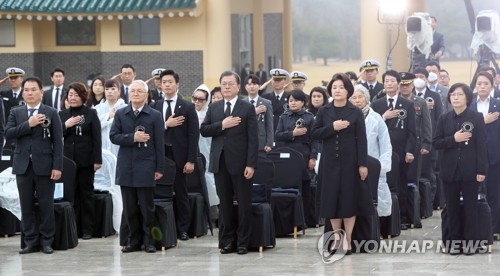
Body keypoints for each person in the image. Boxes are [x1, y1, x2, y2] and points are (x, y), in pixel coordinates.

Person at [311, 73, 371, 255]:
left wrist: (362, 164)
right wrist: (332, 128)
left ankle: (348, 239)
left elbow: (362, 140)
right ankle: (337, 237)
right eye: (334, 87)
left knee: (348, 200)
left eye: (341, 87)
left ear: (348, 90)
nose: (337, 90)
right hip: (329, 162)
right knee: (331, 200)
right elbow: (314, 134)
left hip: (350, 163)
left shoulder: (355, 112)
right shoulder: (324, 111)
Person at [200, 70, 258, 255]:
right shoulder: (214, 107)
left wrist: (251, 164)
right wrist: (222, 125)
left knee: (243, 204)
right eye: (223, 83)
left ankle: (243, 242)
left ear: (238, 86)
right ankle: (227, 241)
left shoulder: (246, 108)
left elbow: (253, 139)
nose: (226, 87)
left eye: (230, 83)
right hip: (220, 162)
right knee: (224, 204)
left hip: (241, 164)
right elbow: (204, 130)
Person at [5, 76, 63, 254]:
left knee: (46, 204)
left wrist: (57, 166)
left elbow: (58, 142)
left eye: (33, 90)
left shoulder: (51, 112)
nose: (30, 93)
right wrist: (28, 124)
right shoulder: (16, 112)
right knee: (26, 205)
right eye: (27, 90)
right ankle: (30, 241)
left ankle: (47, 241)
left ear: (41, 92)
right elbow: (9, 133)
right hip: (22, 165)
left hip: (45, 165)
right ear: (23, 93)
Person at [110, 80, 165, 253]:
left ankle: (149, 241)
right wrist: (132, 138)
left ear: (146, 94)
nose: (135, 94)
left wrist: (159, 168)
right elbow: (114, 137)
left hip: (147, 166)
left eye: (139, 91)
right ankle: (133, 240)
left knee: (148, 208)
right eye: (132, 91)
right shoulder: (120, 114)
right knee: (130, 208)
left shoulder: (155, 115)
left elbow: (159, 144)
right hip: (126, 166)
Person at [434, 83, 487, 255]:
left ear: (467, 98)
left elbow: (481, 146)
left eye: (459, 94)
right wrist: (453, 139)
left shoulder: (476, 117)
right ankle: (454, 244)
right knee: (452, 208)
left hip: (470, 170)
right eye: (453, 94)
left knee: (471, 208)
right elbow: (437, 143)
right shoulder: (444, 118)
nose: (455, 97)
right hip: (449, 170)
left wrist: (482, 170)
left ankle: (471, 244)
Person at [151, 69, 199, 241]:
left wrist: (191, 160)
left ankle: (183, 229)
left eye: (170, 82)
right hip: (160, 155)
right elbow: (151, 130)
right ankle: (160, 227)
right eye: (164, 82)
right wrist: (166, 124)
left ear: (177, 84)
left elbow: (194, 135)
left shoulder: (187, 106)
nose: (167, 85)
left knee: (181, 193)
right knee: (158, 191)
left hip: (179, 156)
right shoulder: (155, 106)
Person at [371, 70, 417, 230]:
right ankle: (382, 218)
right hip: (381, 151)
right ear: (383, 84)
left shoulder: (408, 104)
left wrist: (410, 151)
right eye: (387, 81)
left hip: (400, 150)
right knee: (382, 183)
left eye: (392, 81)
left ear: (398, 84)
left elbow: (412, 131)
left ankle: (402, 217)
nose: (390, 84)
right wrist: (383, 117)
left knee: (400, 183)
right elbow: (371, 128)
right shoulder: (376, 104)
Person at [59, 82, 102, 239]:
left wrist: (97, 160)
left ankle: (88, 229)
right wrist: (66, 125)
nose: (73, 97)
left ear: (83, 96)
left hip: (86, 161)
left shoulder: (91, 113)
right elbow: (56, 136)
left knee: (87, 194)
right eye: (70, 94)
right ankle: (73, 228)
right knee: (71, 194)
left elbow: (97, 138)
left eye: (76, 95)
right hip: (68, 162)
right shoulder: (62, 114)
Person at [275, 89, 319, 228]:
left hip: (304, 155)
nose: (293, 103)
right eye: (291, 100)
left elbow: (315, 140)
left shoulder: (309, 117)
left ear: (303, 102)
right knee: (290, 186)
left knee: (305, 188)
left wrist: (313, 157)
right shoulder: (284, 117)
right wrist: (292, 133)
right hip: (287, 157)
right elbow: (278, 135)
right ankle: (290, 220)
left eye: (296, 100)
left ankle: (305, 220)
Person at [350, 84, 393, 218]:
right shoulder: (347, 117)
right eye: (354, 97)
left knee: (374, 197)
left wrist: (383, 165)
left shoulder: (376, 118)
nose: (357, 100)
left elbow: (385, 143)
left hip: (373, 163)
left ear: (366, 98)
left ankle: (374, 226)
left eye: (360, 97)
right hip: (351, 164)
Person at [470, 71, 500, 236]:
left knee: (495, 193)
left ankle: (494, 229)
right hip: (474, 156)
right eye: (479, 83)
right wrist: (483, 120)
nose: (482, 86)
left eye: (486, 83)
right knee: (476, 193)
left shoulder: (498, 104)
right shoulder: (470, 105)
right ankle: (479, 228)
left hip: (495, 155)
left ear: (491, 85)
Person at [191, 84, 219, 209]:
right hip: (192, 151)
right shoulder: (188, 113)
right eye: (194, 98)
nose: (197, 102)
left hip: (208, 150)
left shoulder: (211, 114)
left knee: (209, 177)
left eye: (201, 99)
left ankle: (213, 208)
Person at [95, 79, 127, 156]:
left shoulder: (126, 108)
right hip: (102, 147)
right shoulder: (97, 108)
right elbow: (94, 126)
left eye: (113, 89)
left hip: (120, 148)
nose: (109, 91)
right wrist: (107, 116)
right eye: (107, 89)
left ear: (119, 91)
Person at [244, 74, 274, 153]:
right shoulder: (241, 103)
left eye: (254, 84)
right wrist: (254, 112)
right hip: (245, 142)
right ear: (245, 87)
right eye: (249, 84)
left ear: (259, 86)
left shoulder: (266, 103)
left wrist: (269, 143)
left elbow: (269, 125)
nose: (252, 87)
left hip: (261, 144)